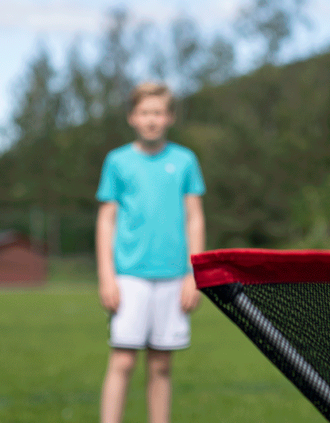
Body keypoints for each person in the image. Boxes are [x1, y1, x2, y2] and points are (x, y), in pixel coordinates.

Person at [96, 82, 206, 423]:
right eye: (144, 112)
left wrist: (194, 274)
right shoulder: (117, 161)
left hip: (174, 275)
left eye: (158, 112)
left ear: (169, 117)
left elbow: (195, 219)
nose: (151, 119)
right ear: (132, 117)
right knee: (123, 360)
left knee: (161, 364)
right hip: (129, 275)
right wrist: (106, 277)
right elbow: (106, 221)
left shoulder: (185, 160)